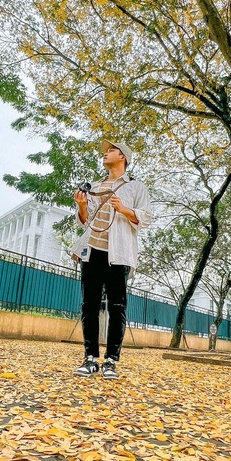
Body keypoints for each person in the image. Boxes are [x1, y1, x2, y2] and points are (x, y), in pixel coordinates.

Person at [72, 139, 151, 379]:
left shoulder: (136, 187)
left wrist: (125, 209)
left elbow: (146, 218)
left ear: (123, 157)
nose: (106, 154)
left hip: (119, 254)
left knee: (117, 307)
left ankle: (111, 361)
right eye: (105, 151)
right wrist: (82, 206)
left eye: (111, 151)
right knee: (89, 306)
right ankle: (90, 358)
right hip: (93, 250)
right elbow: (86, 221)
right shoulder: (96, 186)